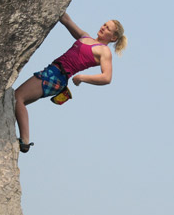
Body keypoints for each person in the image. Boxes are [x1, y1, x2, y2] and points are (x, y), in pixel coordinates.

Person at [15, 12, 127, 153]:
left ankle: (25, 141)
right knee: (17, 101)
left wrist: (82, 78)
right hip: (52, 71)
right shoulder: (85, 36)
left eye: (108, 28)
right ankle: (21, 137)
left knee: (17, 97)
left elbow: (106, 77)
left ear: (114, 37)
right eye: (104, 24)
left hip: (56, 76)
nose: (103, 27)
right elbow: (67, 20)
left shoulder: (104, 51)